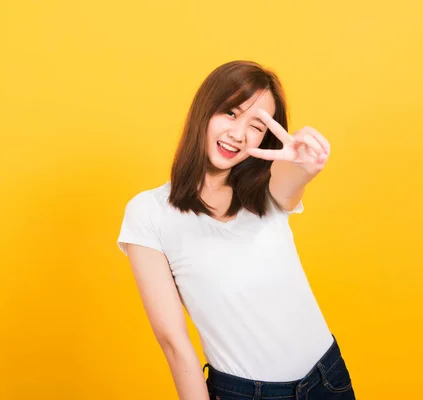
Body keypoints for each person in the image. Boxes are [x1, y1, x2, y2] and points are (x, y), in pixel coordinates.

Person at [116, 60, 356, 400]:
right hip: (245, 394)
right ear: (204, 110)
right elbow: (173, 342)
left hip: (327, 379)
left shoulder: (268, 190)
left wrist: (306, 165)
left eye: (257, 126)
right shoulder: (149, 212)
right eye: (230, 113)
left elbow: (293, 179)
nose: (239, 134)